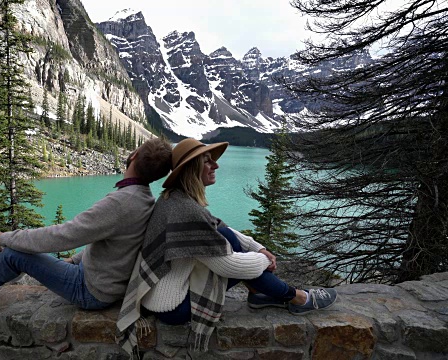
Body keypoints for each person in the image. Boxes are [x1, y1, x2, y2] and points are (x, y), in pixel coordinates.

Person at [117, 138, 337, 353]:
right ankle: (297, 297)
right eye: (207, 161)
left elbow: (218, 228)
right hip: (172, 306)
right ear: (191, 169)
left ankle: (261, 294)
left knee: (224, 236)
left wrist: (257, 247)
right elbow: (230, 267)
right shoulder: (185, 210)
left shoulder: (176, 198)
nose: (216, 165)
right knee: (234, 254)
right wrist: (263, 259)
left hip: (159, 293)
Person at [0, 137, 173, 310]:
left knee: (14, 254)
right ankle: (0, 276)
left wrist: (6, 237)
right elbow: (117, 244)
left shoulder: (123, 202)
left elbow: (64, 235)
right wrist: (76, 259)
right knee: (22, 254)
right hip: (100, 280)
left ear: (133, 156)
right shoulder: (142, 198)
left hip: (91, 291)